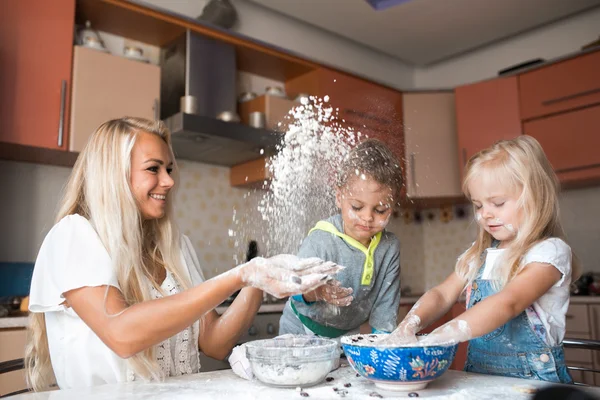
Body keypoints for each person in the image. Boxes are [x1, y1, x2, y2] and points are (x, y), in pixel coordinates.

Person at [25, 117, 341, 391]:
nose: (169, 181)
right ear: (114, 175)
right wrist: (239, 275)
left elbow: (215, 343)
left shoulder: (174, 247)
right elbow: (121, 333)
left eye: (169, 168)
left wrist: (260, 278)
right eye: (154, 169)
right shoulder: (74, 236)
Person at [385, 135, 581, 384]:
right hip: (479, 380)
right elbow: (443, 294)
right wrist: (410, 324)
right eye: (478, 206)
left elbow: (508, 303)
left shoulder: (549, 252)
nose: (485, 214)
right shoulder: (479, 256)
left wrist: (442, 335)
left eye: (497, 203)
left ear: (535, 196)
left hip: (535, 384)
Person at [279, 138, 403, 338]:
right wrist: (318, 292)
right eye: (357, 207)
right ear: (339, 197)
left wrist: (383, 344)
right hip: (299, 331)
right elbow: (294, 288)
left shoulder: (389, 248)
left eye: (380, 210)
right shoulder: (321, 239)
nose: (367, 217)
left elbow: (385, 308)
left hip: (345, 336)